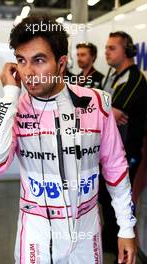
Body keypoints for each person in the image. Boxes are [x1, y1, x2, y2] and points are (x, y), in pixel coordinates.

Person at [0, 16, 136, 264]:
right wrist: (9, 94)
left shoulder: (96, 102)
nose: (28, 72)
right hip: (35, 238)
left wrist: (126, 228)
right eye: (21, 61)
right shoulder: (14, 107)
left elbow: (115, 166)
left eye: (38, 60)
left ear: (61, 64)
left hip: (86, 234)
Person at [99, 31, 147, 257]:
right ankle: (110, 247)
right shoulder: (112, 76)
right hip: (107, 153)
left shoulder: (135, 79)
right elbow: (100, 112)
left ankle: (122, 250)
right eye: (106, 47)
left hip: (126, 153)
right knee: (105, 202)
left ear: (127, 52)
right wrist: (107, 114)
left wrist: (106, 114)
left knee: (119, 203)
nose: (106, 52)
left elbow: (107, 113)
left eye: (112, 48)